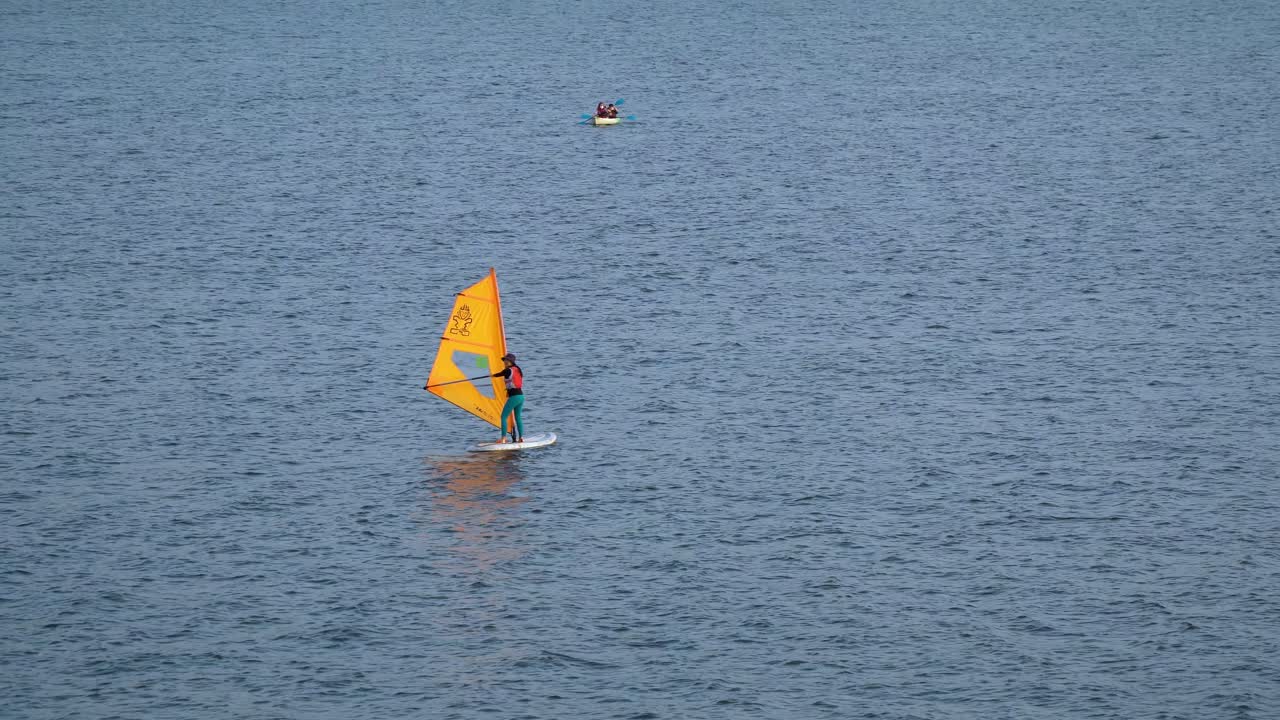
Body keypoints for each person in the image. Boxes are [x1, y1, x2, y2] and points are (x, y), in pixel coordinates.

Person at [492, 353, 524, 443]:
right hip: (521, 396)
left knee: (503, 416)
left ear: (511, 362)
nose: (505, 362)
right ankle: (521, 438)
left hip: (514, 397)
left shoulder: (508, 370)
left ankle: (503, 438)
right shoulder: (517, 369)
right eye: (505, 360)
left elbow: (501, 373)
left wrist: (493, 375)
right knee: (518, 417)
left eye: (507, 360)